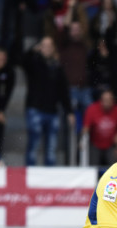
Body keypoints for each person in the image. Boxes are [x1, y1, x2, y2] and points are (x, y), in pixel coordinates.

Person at [22, 36, 75, 166]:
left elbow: (63, 91)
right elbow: (23, 60)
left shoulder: (57, 67)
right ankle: (29, 174)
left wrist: (69, 111)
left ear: (53, 49)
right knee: (33, 144)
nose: (47, 48)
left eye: (49, 46)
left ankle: (49, 177)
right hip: (35, 109)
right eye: (44, 45)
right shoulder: (34, 62)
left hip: (52, 111)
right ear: (40, 48)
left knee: (51, 148)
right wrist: (32, 50)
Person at [82, 89, 117, 166]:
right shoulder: (92, 109)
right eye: (104, 100)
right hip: (95, 143)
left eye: (109, 99)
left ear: (113, 100)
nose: (107, 102)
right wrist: (83, 140)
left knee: (115, 167)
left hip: (111, 144)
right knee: (93, 167)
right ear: (100, 100)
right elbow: (86, 127)